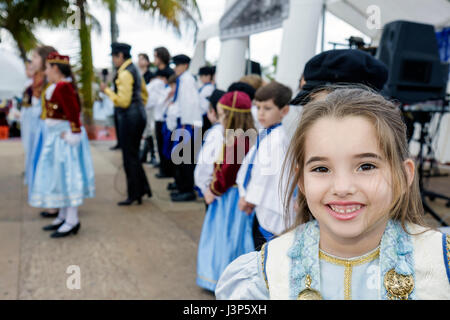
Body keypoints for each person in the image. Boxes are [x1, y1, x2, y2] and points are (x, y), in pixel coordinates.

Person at [216, 86, 450, 300]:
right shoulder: (266, 274)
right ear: (302, 182)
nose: (342, 187)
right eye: (321, 169)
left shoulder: (442, 263)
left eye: (366, 166)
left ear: (404, 176)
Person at [28, 51, 95, 238]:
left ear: (55, 68)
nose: (46, 71)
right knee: (58, 176)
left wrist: (74, 133)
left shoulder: (64, 87)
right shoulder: (57, 86)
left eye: (48, 68)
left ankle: (72, 220)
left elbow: (73, 113)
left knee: (68, 176)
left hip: (64, 139)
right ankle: (64, 215)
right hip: (56, 138)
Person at [196, 91, 256, 292]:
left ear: (232, 116)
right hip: (231, 194)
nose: (220, 119)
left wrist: (213, 190)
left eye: (223, 115)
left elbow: (228, 170)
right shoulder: (246, 136)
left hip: (228, 197)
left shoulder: (238, 140)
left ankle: (220, 278)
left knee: (226, 237)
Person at [236, 81, 294, 251]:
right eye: (258, 107)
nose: (261, 113)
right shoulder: (266, 134)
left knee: (267, 251)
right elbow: (250, 164)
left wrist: (249, 198)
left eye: (267, 108)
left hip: (271, 211)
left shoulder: (278, 140)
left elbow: (266, 175)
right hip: (261, 205)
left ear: (284, 111)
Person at [101, 42, 152, 205]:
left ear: (120, 56)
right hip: (138, 114)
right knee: (134, 155)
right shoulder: (135, 69)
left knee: (129, 157)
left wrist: (107, 91)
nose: (114, 61)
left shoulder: (124, 73)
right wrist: (139, 107)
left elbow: (123, 101)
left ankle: (134, 193)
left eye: (114, 57)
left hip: (129, 117)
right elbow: (144, 93)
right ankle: (142, 188)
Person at [25, 45, 60, 219]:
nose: (33, 61)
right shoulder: (39, 80)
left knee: (49, 165)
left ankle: (55, 204)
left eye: (36, 57)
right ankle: (50, 202)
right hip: (42, 128)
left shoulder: (50, 84)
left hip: (49, 129)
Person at [170, 54, 202, 202]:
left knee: (186, 159)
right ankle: (183, 187)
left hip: (188, 124)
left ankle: (187, 190)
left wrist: (186, 124)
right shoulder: (183, 79)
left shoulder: (187, 80)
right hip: (185, 123)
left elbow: (191, 103)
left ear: (185, 66)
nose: (175, 68)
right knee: (182, 159)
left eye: (177, 65)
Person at [194, 89, 226, 208]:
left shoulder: (216, 133)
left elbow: (206, 163)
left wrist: (204, 186)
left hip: (212, 190)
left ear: (213, 111)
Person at [141, 68, 172, 166]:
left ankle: (161, 163)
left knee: (161, 143)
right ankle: (158, 161)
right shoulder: (161, 87)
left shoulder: (159, 86)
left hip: (161, 119)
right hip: (158, 118)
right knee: (159, 142)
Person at [153, 46, 175, 178]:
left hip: (166, 113)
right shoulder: (156, 72)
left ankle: (167, 169)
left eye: (156, 56)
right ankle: (163, 166)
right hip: (157, 112)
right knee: (160, 142)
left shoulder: (169, 72)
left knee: (166, 143)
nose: (154, 59)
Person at [197, 66, 216, 135]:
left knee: (198, 141)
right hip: (201, 117)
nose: (200, 78)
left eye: (202, 76)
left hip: (203, 117)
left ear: (208, 76)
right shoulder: (205, 87)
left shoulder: (208, 88)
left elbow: (205, 106)